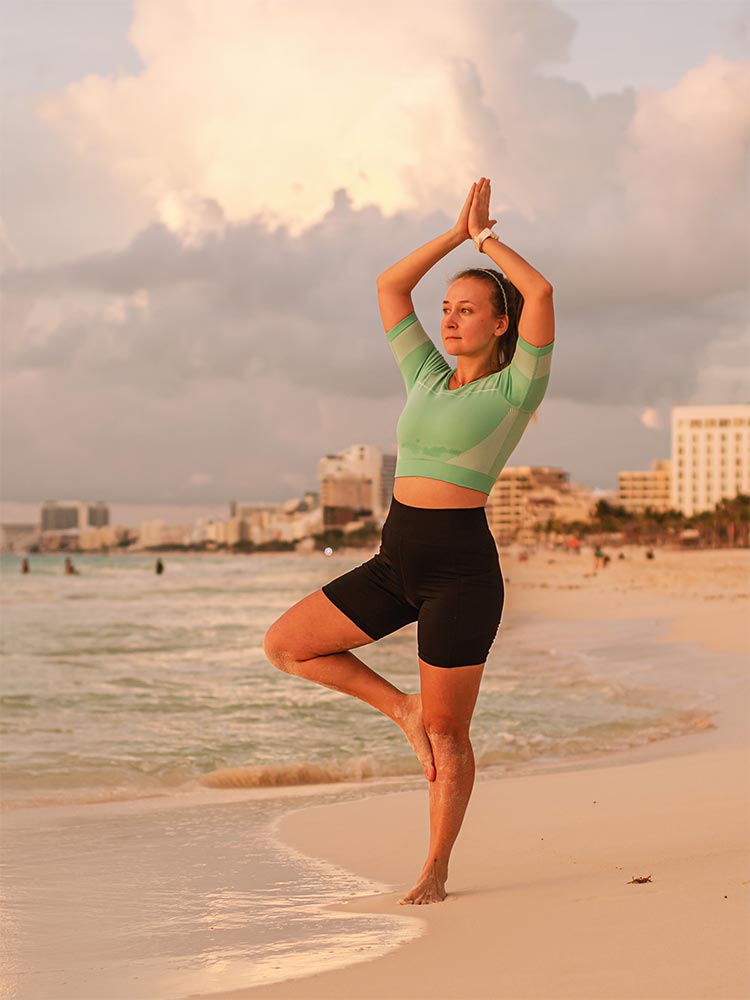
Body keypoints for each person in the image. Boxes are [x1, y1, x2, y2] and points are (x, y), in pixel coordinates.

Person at [264, 177, 555, 905]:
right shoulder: (427, 375)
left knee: (451, 737)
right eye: (447, 309)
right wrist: (455, 237)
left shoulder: (517, 387)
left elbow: (541, 294)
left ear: (499, 325)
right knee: (288, 645)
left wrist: (489, 242)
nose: (449, 320)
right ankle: (401, 712)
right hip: (396, 562)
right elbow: (390, 286)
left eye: (467, 311)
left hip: (461, 573)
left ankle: (435, 868)